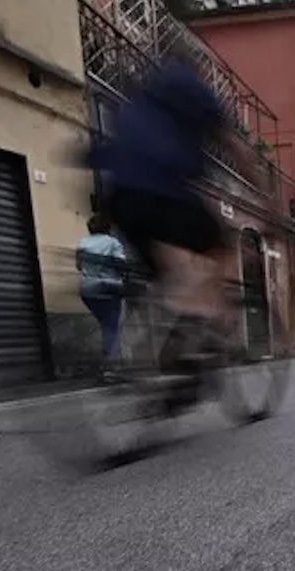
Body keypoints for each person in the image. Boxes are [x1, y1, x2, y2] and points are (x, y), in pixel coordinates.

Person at [85, 53, 253, 371]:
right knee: (223, 244)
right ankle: (199, 322)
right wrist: (267, 196)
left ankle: (153, 358)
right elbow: (233, 145)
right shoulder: (192, 86)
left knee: (168, 276)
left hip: (122, 199)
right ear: (198, 71)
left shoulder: (142, 97)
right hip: (161, 193)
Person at [75, 214, 126, 376]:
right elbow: (120, 264)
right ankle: (110, 367)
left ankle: (109, 363)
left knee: (107, 326)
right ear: (108, 227)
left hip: (87, 289)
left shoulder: (83, 243)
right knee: (110, 327)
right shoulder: (112, 242)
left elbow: (78, 265)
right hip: (109, 287)